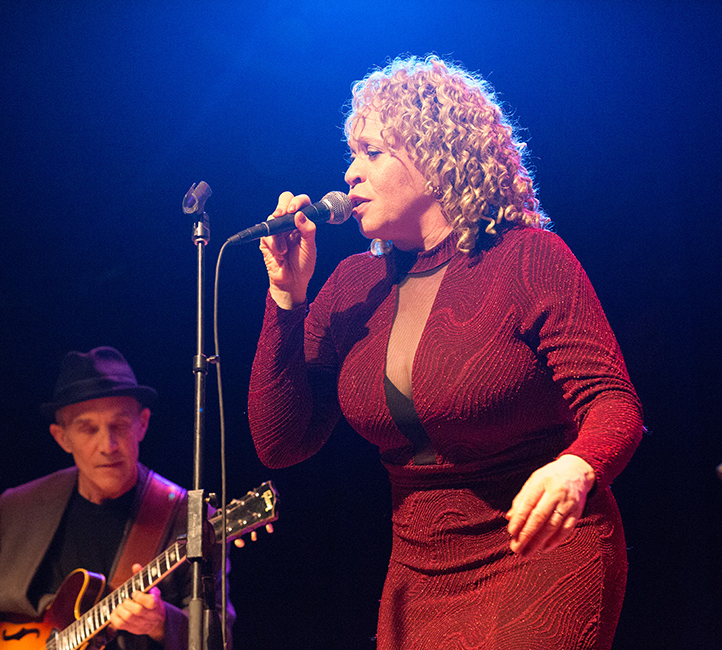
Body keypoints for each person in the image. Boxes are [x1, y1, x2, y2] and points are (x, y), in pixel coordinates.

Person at [246, 55, 643, 650]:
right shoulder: (355, 286)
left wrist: (576, 467)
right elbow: (281, 443)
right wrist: (285, 296)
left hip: (544, 554)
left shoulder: (527, 259)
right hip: (418, 577)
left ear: (436, 157)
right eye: (352, 154)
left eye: (372, 152)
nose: (350, 173)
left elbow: (613, 402)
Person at [0, 346, 232, 650]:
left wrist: (161, 623)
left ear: (142, 424)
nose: (108, 445)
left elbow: (220, 639)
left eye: (119, 425)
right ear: (62, 437)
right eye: (88, 429)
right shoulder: (17, 508)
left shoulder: (191, 516)